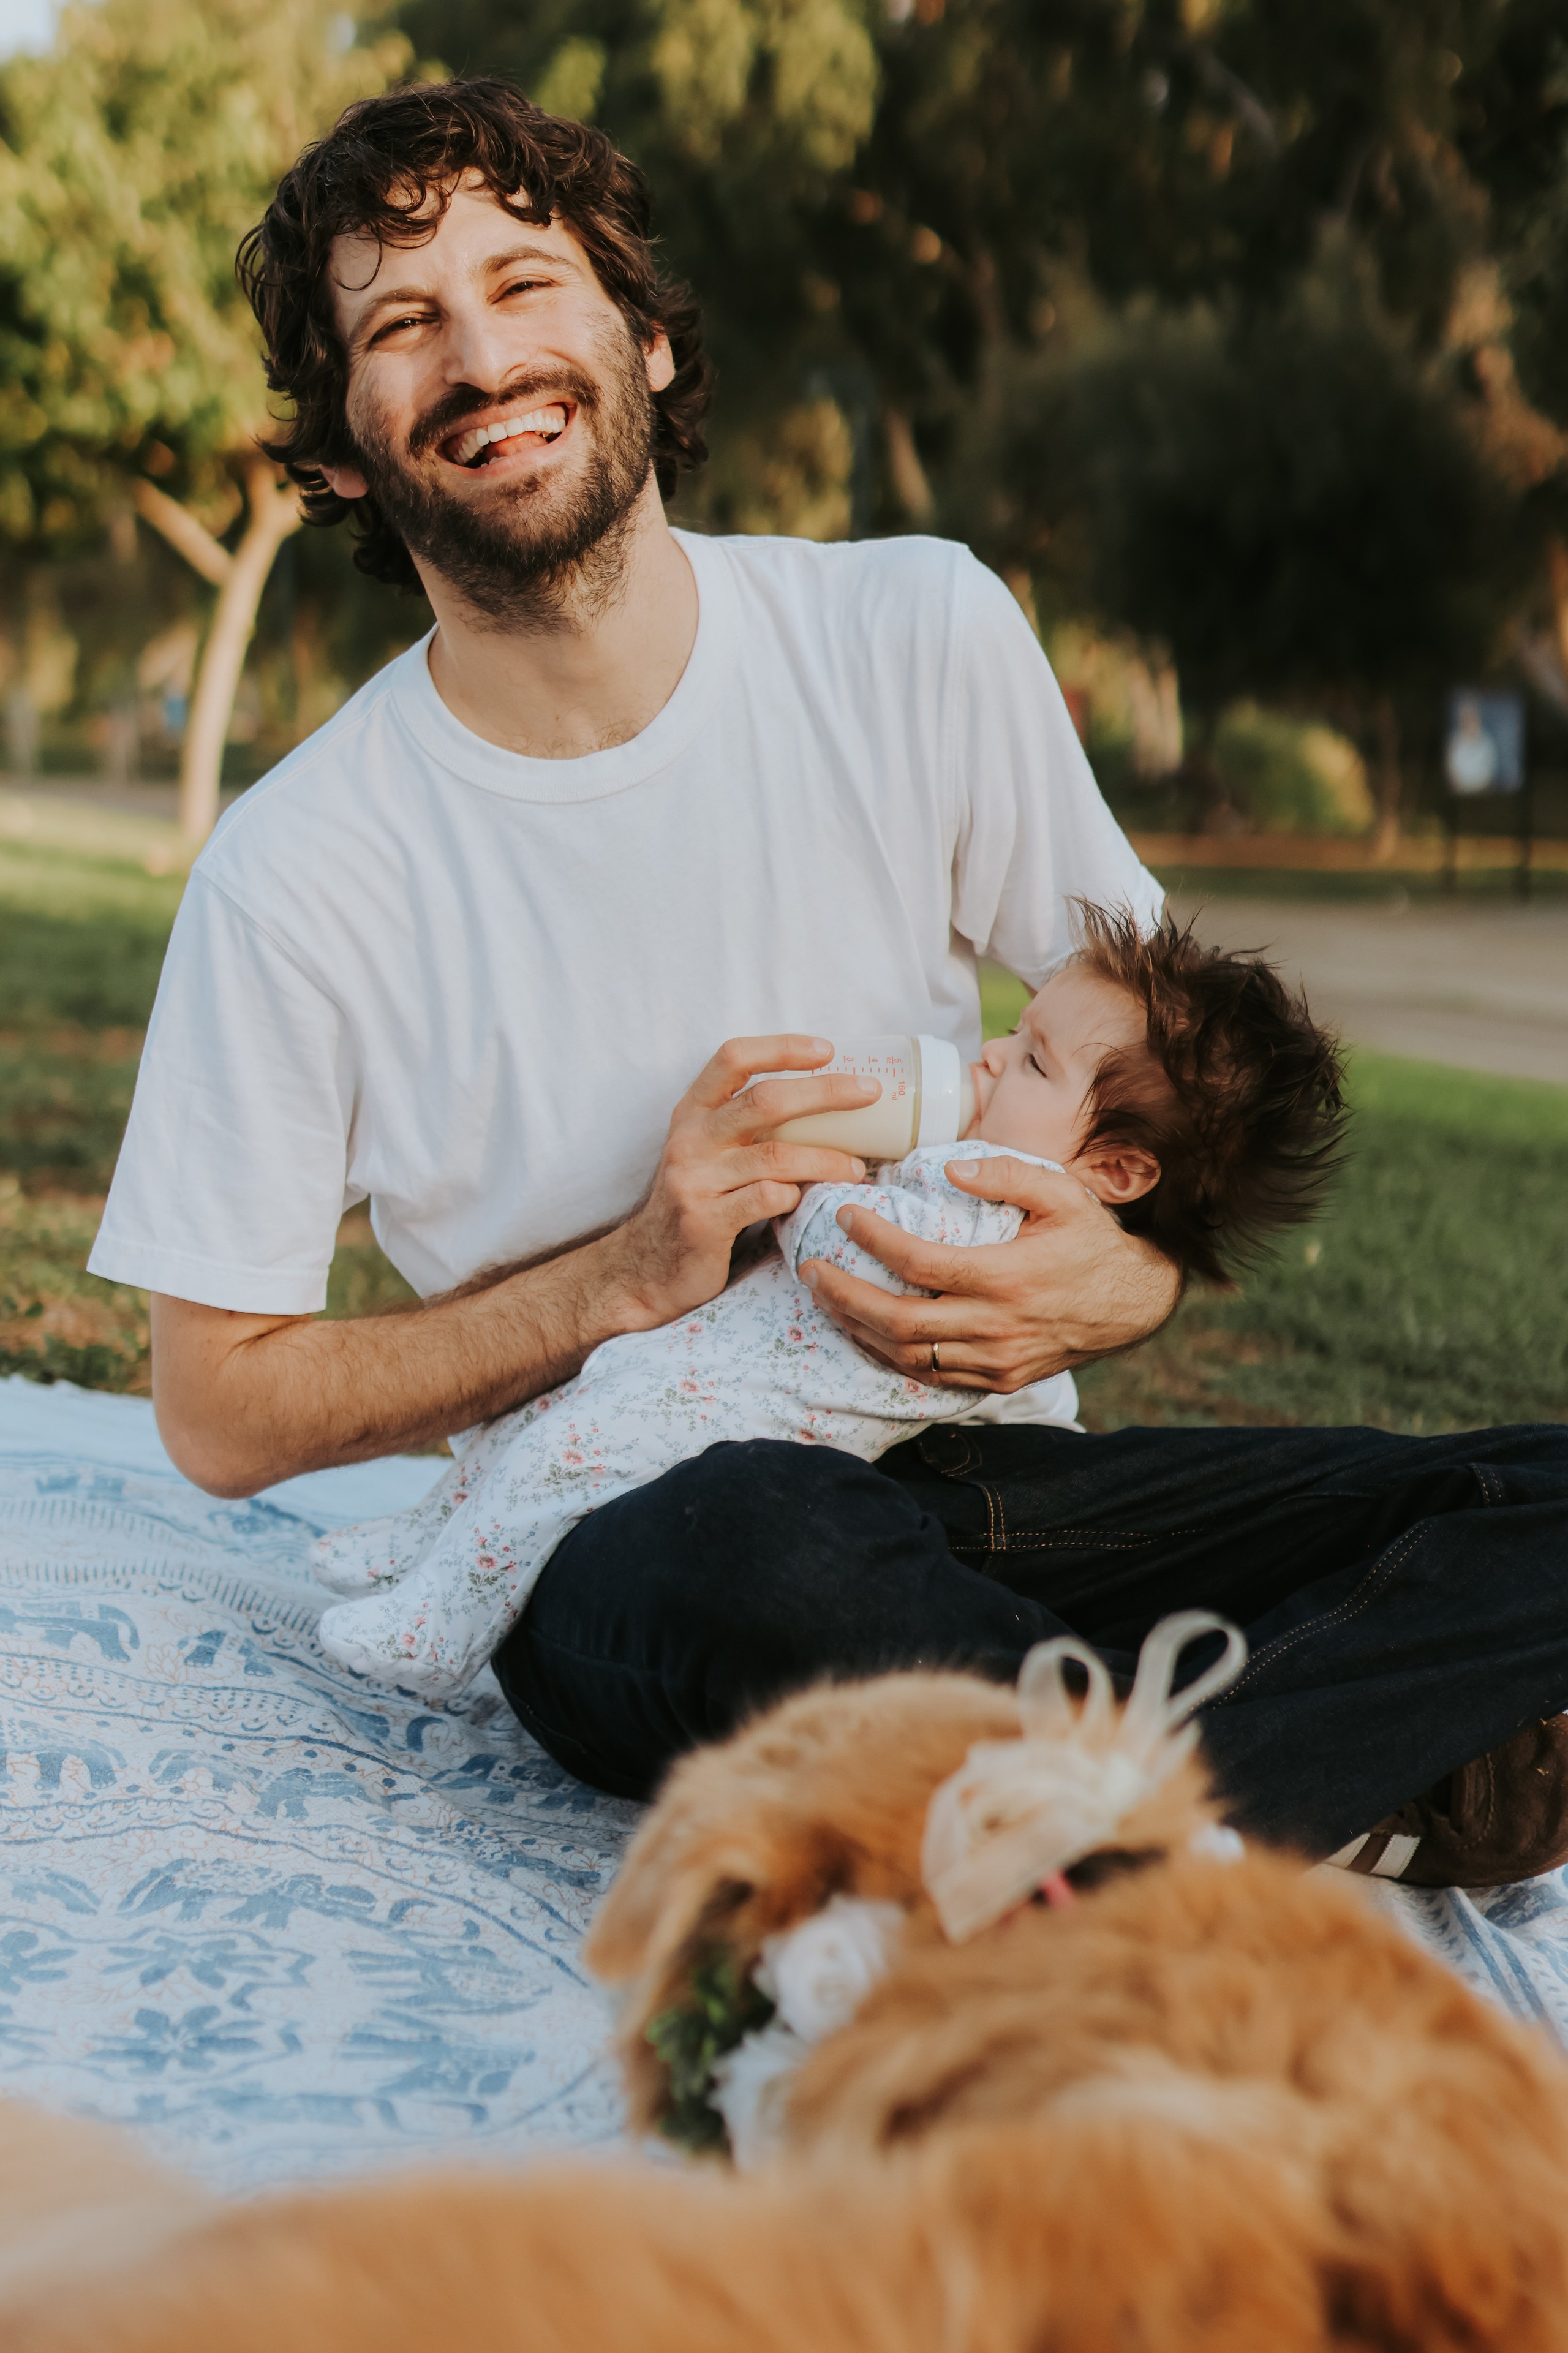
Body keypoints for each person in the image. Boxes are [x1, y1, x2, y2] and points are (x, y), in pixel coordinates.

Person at [89, 78, 1568, 1890]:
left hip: (999, 1488)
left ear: (638, 335)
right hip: (647, 1539)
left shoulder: (915, 633)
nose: (479, 353)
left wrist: (1117, 1275)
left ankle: (1149, 1826)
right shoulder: (300, 867)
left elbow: (1167, 1080)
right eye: (400, 325)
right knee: (769, 1547)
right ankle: (1311, 1767)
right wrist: (619, 1281)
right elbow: (218, 1410)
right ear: (342, 454)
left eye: (523, 282)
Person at [309, 907, 1346, 1698]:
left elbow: (856, 1253)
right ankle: (433, 1537)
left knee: (575, 1446)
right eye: (1013, 1030)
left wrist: (812, 1178)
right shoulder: (987, 1165)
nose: (989, 1055)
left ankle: (444, 1623)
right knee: (552, 1408)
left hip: (756, 1413)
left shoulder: (1005, 1204)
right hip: (727, 1364)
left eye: (1031, 1059)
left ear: (1117, 1170)